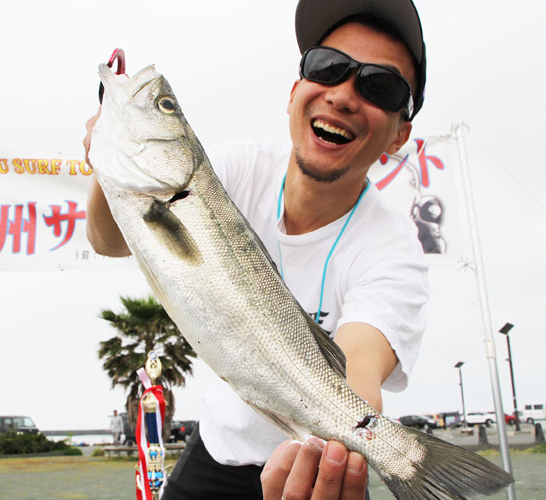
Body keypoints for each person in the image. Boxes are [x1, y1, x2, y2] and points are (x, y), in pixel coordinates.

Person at [84, 1, 429, 498]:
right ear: (294, 93)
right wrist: (107, 159)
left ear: (400, 134)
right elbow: (108, 241)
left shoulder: (394, 248)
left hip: (310, 466)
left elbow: (358, 365)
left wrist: (369, 446)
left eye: (381, 86)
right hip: (216, 448)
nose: (343, 95)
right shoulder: (227, 172)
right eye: (327, 67)